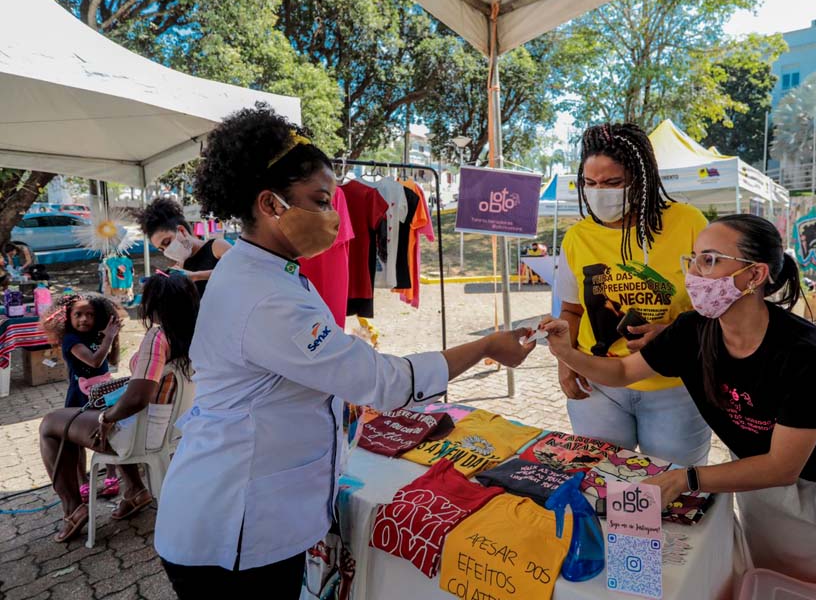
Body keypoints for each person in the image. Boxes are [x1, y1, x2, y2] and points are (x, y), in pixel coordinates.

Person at [153, 106, 535, 598]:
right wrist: (485, 346)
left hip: (245, 513)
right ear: (270, 204)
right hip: (234, 530)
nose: (334, 216)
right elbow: (384, 382)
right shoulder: (265, 293)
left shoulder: (267, 270)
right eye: (320, 200)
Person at [541, 214, 816, 599]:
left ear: (754, 275)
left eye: (711, 260)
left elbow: (783, 467)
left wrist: (685, 479)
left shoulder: (806, 354)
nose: (694, 274)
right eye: (694, 259)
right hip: (758, 482)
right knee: (770, 582)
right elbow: (620, 372)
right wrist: (567, 352)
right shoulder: (692, 330)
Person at [555, 122, 711, 466]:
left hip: (675, 387)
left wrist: (674, 334)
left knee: (676, 486)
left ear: (642, 180)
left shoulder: (689, 224)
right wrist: (565, 362)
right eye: (590, 183)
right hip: (597, 386)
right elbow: (570, 310)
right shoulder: (577, 238)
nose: (600, 193)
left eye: (613, 183)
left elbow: (719, 309)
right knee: (604, 479)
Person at [38, 272, 200, 542]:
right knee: (90, 414)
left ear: (153, 306)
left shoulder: (158, 337)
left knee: (51, 423)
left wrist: (107, 417)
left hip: (142, 434)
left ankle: (72, 508)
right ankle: (136, 490)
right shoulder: (197, 333)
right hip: (171, 429)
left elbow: (138, 397)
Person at [41, 293, 123, 513]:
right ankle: (82, 482)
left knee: (107, 433)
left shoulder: (98, 334)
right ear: (68, 317)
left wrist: (110, 337)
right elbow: (95, 361)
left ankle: (112, 476)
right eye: (78, 314)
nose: (84, 319)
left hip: (104, 392)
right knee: (76, 442)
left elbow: (110, 361)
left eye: (90, 314)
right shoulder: (70, 339)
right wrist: (109, 337)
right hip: (81, 395)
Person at [135, 197, 231, 298]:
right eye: (162, 249)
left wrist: (196, 276)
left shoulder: (216, 247)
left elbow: (242, 271)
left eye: (167, 242)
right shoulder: (180, 267)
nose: (167, 251)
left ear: (181, 230)